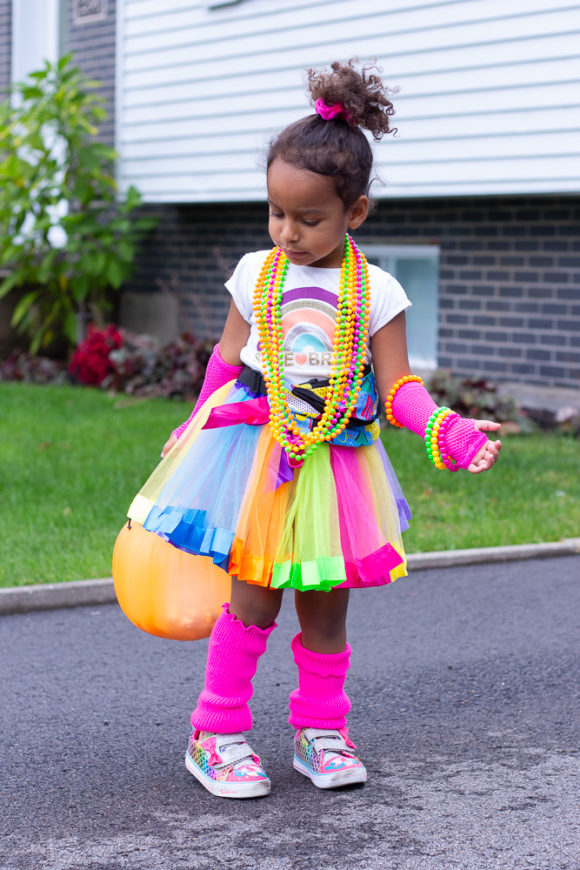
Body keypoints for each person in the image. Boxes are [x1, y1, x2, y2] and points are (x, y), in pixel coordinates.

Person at [127, 60, 501, 800]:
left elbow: (397, 389)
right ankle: (218, 730)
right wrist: (195, 423)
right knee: (254, 601)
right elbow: (228, 361)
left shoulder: (378, 290)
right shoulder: (254, 273)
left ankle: (321, 729)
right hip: (261, 455)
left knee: (327, 607)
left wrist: (445, 429)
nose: (287, 233)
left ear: (354, 214)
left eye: (308, 218)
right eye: (275, 213)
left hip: (339, 466)